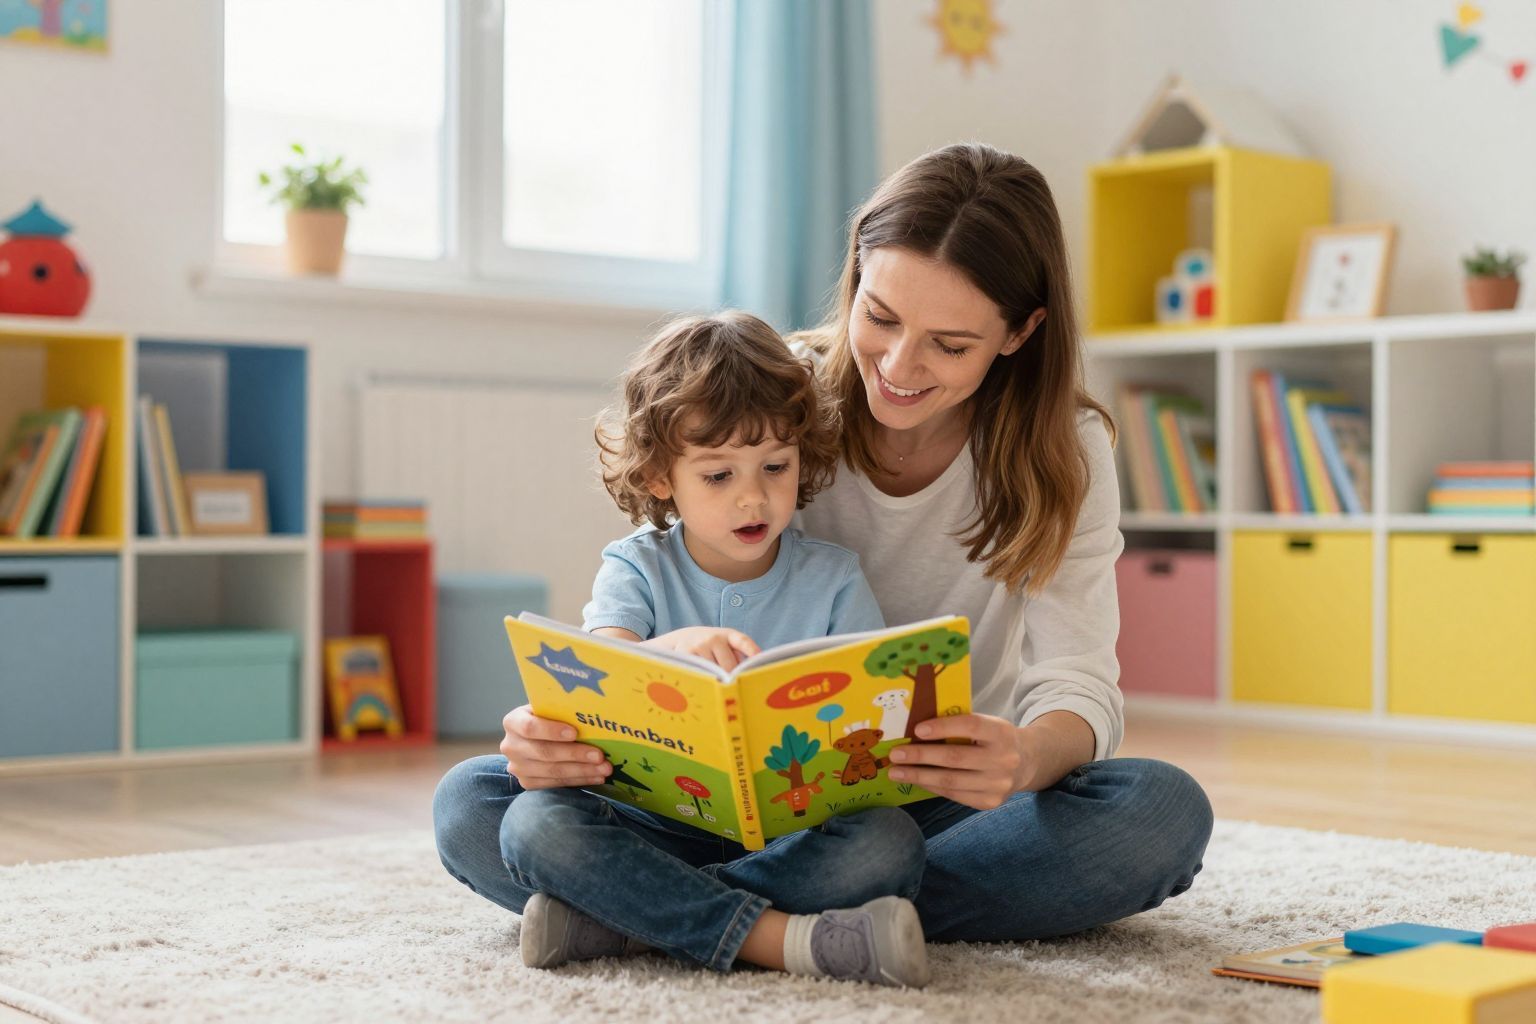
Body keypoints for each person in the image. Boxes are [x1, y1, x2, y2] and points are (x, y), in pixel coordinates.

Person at [436, 141, 1213, 976]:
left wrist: (1021, 757)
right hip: (685, 800)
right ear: (854, 275)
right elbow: (618, 640)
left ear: (1020, 332)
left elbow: (1078, 684)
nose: (898, 367)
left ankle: (628, 910)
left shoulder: (1067, 451)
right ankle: (805, 927)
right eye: (879, 316)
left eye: (949, 345)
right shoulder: (776, 404)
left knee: (1157, 813)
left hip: (910, 808)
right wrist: (555, 739)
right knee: (475, 801)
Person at [437, 311, 934, 988]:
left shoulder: (834, 577)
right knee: (479, 804)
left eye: (776, 466)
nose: (753, 496)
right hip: (645, 823)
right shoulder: (635, 566)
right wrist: (673, 647)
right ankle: (779, 938)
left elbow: (870, 718)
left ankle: (618, 918)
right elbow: (601, 673)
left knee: (890, 844)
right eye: (718, 475)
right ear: (660, 476)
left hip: (790, 838)